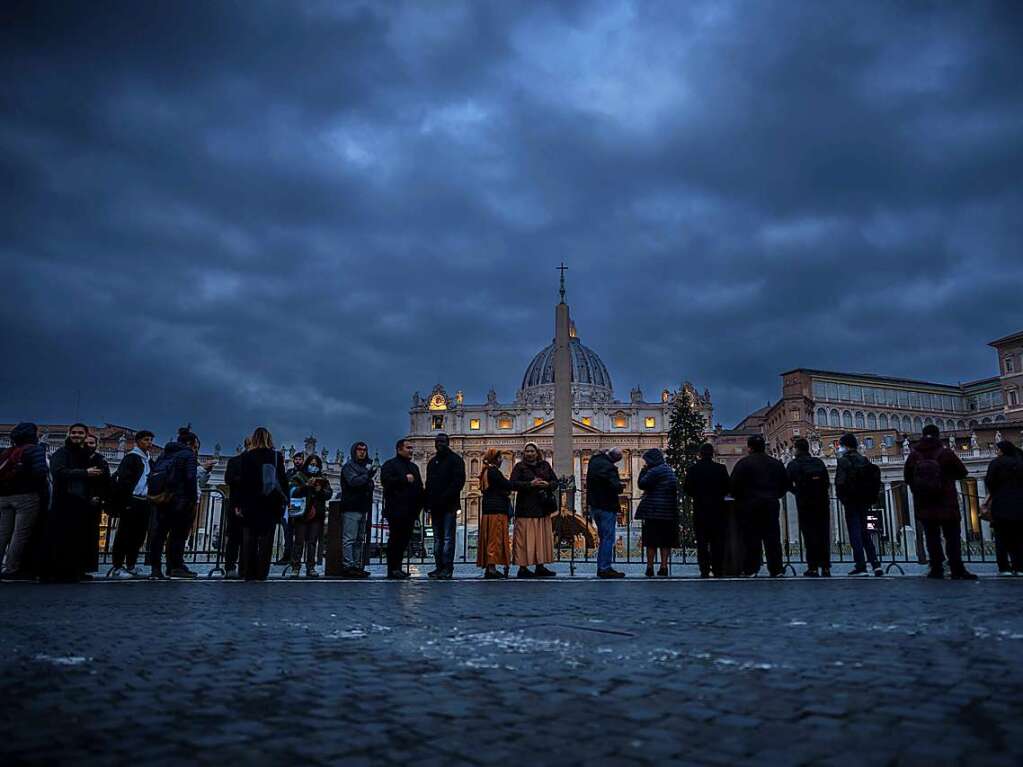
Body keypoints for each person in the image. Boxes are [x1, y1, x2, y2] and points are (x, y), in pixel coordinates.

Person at [905, 424, 975, 580]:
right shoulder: (945, 453)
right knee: (952, 536)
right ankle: (957, 568)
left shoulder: (914, 455)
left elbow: (907, 478)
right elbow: (962, 472)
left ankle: (936, 568)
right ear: (938, 435)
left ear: (923, 435)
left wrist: (919, 489)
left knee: (931, 536)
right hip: (947, 501)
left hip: (924, 503)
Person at [41, 424, 105, 582]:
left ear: (85, 434)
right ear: (69, 434)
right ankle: (58, 571)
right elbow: (58, 472)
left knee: (78, 538)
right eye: (74, 432)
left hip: (81, 501)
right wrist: (85, 473)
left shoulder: (85, 454)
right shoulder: (61, 453)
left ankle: (75, 570)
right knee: (63, 537)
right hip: (64, 500)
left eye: (80, 433)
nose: (77, 435)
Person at [730, 435, 789, 577]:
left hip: (749, 505)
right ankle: (776, 569)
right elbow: (784, 485)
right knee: (773, 538)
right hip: (770, 503)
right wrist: (775, 495)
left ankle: (751, 569)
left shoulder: (743, 464)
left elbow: (733, 486)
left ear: (749, 448)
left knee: (751, 538)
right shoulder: (776, 464)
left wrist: (740, 499)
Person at [236, 427, 288, 581]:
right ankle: (262, 573)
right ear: (269, 439)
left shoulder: (247, 456)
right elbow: (283, 481)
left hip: (251, 502)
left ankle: (248, 572)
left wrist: (239, 503)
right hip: (270, 502)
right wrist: (285, 501)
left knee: (249, 538)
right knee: (266, 539)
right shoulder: (276, 456)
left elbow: (242, 482)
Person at [148, 427, 200, 579]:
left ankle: (155, 568)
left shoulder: (165, 454)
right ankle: (175, 566)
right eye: (196, 444)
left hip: (163, 498)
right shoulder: (188, 454)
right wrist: (192, 499)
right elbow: (190, 478)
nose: (197, 447)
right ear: (190, 442)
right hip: (180, 500)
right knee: (178, 535)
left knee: (159, 534)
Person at [0, 422, 49, 580]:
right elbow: (41, 472)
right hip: (26, 496)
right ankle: (11, 568)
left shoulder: (7, 451)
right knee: (19, 534)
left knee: (2, 533)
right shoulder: (35, 450)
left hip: (4, 496)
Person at [835, 433, 883, 577]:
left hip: (851, 501)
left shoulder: (843, 461)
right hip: (865, 500)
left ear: (846, 445)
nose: (839, 448)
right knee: (866, 532)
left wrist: (841, 497)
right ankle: (876, 565)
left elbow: (840, 481)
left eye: (841, 445)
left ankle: (860, 566)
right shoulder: (864, 459)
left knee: (855, 533)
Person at [108, 430, 155, 578]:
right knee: (124, 534)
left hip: (144, 501)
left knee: (139, 535)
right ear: (138, 441)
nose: (150, 443)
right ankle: (117, 566)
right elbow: (124, 481)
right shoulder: (131, 458)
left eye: (151, 440)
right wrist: (125, 501)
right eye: (146, 440)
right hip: (132, 500)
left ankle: (131, 564)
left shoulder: (148, 459)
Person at [509, 442, 558, 578]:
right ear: (524, 453)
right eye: (527, 451)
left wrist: (547, 484)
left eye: (532, 451)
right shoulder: (519, 467)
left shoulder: (545, 465)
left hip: (542, 507)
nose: (530, 453)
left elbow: (555, 482)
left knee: (541, 539)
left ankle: (540, 566)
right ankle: (522, 567)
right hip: (525, 508)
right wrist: (530, 484)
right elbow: (512, 484)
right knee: (524, 539)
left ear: (537, 453)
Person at [786, 438, 832, 577]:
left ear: (797, 449)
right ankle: (825, 567)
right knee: (823, 534)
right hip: (822, 503)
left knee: (809, 535)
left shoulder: (793, 464)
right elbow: (826, 483)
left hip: (805, 503)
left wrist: (797, 492)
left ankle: (812, 567)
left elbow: (787, 483)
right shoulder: (818, 462)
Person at [684, 443, 730, 578]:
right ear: (713, 453)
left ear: (700, 454)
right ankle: (718, 568)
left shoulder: (693, 469)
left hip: (700, 508)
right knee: (718, 540)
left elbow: (687, 488)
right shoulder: (721, 468)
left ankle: (704, 569)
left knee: (702, 541)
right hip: (718, 508)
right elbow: (727, 486)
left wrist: (698, 494)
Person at [380, 439, 423, 579]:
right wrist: (404, 479)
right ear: (399, 449)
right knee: (395, 539)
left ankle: (398, 567)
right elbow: (386, 482)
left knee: (404, 540)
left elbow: (419, 487)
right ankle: (392, 569)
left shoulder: (414, 467)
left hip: (410, 511)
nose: (411, 450)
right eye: (408, 448)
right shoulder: (390, 465)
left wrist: (419, 507)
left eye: (412, 448)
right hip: (396, 509)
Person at [424, 433, 466, 580]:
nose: (439, 444)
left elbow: (458, 483)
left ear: (448, 443)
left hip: (449, 505)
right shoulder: (432, 462)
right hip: (435, 506)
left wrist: (444, 497)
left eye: (442, 441)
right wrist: (427, 503)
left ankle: (447, 567)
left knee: (448, 538)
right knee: (437, 539)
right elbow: (428, 484)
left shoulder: (456, 460)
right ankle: (439, 567)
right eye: (437, 442)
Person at [635, 448, 679, 578]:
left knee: (651, 541)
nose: (646, 463)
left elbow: (642, 484)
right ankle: (664, 566)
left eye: (647, 461)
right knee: (665, 542)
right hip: (668, 511)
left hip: (653, 511)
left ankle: (649, 567)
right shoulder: (669, 470)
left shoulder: (654, 471)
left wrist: (643, 471)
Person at [288, 454, 332, 578]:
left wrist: (320, 490)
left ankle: (311, 567)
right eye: (312, 465)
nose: (314, 467)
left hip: (316, 514)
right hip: (301, 514)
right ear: (307, 465)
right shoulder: (298, 477)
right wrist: (305, 486)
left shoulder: (322, 478)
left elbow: (329, 494)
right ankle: (295, 567)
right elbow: (291, 491)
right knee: (299, 541)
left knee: (312, 542)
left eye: (316, 465)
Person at [985, 440, 1023, 575]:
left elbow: (989, 482)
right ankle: (1019, 567)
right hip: (1019, 505)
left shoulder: (996, 463)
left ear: (1002, 450)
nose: (997, 452)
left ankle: (1004, 567)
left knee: (1001, 538)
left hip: (1000, 505)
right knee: (1018, 538)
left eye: (998, 449)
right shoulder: (1020, 462)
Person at [587, 447, 626, 578]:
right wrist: (621, 486)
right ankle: (605, 567)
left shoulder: (593, 461)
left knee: (603, 537)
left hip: (594, 505)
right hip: (607, 506)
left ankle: (601, 566)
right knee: (608, 538)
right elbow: (615, 486)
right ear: (615, 460)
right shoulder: (610, 468)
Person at [338, 441, 375, 578]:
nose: (362, 452)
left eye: (364, 450)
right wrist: (367, 477)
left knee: (359, 539)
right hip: (351, 507)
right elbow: (353, 482)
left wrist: (368, 480)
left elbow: (369, 485)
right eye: (359, 449)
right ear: (354, 451)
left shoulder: (365, 467)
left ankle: (357, 566)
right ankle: (348, 566)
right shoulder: (349, 466)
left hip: (362, 506)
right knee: (349, 538)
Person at [477, 448, 512, 579]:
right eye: (499, 457)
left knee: (489, 538)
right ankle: (491, 568)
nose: (501, 460)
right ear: (495, 459)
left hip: (488, 510)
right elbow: (507, 485)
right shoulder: (493, 472)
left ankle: (489, 567)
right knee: (495, 539)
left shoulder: (486, 471)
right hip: (496, 510)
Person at [80, 432, 111, 578]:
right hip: (77, 500)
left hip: (94, 501)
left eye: (91, 443)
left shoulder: (101, 460)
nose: (88, 445)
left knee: (91, 537)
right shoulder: (75, 458)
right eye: (86, 442)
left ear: (96, 445)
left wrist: (100, 496)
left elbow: (106, 481)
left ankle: (85, 568)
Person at [222, 439, 249, 579]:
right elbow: (228, 480)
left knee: (249, 539)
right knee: (234, 538)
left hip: (253, 506)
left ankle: (245, 568)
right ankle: (230, 567)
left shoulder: (260, 462)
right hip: (237, 504)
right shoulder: (234, 461)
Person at [275, 452, 303, 564]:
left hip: (299, 504)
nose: (297, 461)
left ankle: (296, 557)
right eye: (296, 459)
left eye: (300, 459)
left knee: (298, 532)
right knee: (287, 532)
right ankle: (287, 556)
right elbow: (282, 485)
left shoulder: (304, 473)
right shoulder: (289, 473)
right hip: (288, 504)